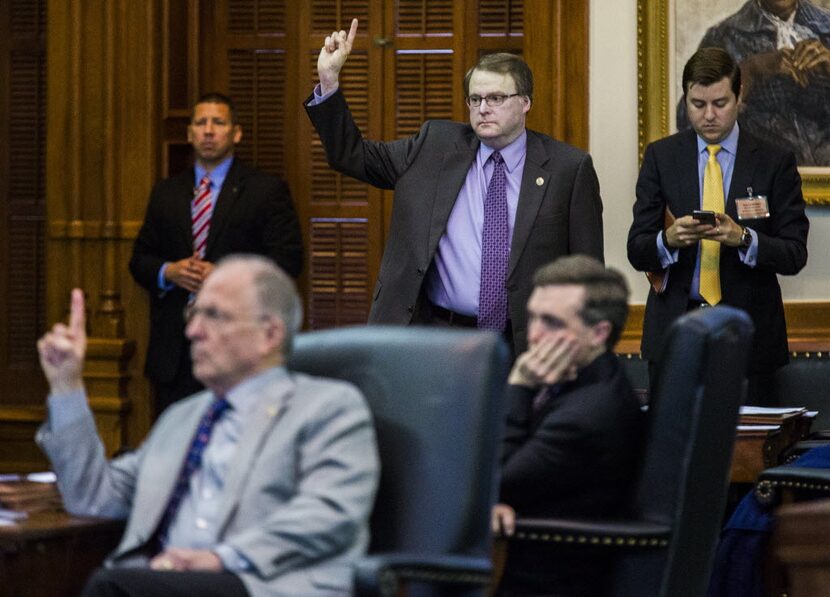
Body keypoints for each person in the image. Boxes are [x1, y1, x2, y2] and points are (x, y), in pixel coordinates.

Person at [37, 255, 379, 597]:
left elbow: (330, 513)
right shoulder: (181, 418)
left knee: (111, 587)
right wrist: (67, 386)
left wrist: (220, 558)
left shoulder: (327, 408)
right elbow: (92, 497)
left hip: (264, 585)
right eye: (193, 314)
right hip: (165, 581)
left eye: (214, 316)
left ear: (269, 334)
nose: (193, 331)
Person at [305, 19, 604, 358]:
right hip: (435, 336)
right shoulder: (434, 146)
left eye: (496, 97)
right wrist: (329, 82)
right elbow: (352, 155)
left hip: (526, 344)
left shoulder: (568, 169)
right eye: (474, 99)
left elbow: (588, 273)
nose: (483, 108)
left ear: (525, 103)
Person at [629, 47, 809, 406]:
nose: (709, 115)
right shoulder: (662, 157)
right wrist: (669, 239)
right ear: (686, 99)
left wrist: (742, 238)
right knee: (673, 451)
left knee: (747, 456)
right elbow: (637, 248)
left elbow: (794, 254)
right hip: (675, 331)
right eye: (698, 104)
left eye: (720, 103)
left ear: (739, 97)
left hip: (750, 334)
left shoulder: (775, 161)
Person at [130, 92, 303, 416]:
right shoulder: (166, 192)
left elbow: (288, 260)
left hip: (240, 346)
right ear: (190, 133)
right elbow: (139, 259)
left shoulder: (265, 191)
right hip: (176, 352)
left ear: (236, 133)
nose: (209, 130)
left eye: (218, 122)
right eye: (201, 123)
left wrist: (224, 276)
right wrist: (169, 272)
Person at [492, 255, 644, 597]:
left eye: (551, 322)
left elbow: (495, 479)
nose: (533, 335)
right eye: (531, 317)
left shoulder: (588, 414)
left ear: (598, 333)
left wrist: (519, 386)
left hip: (542, 578)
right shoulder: (581, 380)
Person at [678, 0, 830, 166]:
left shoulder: (826, 27)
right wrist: (750, 69)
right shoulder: (725, 36)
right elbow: (687, 120)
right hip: (758, 177)